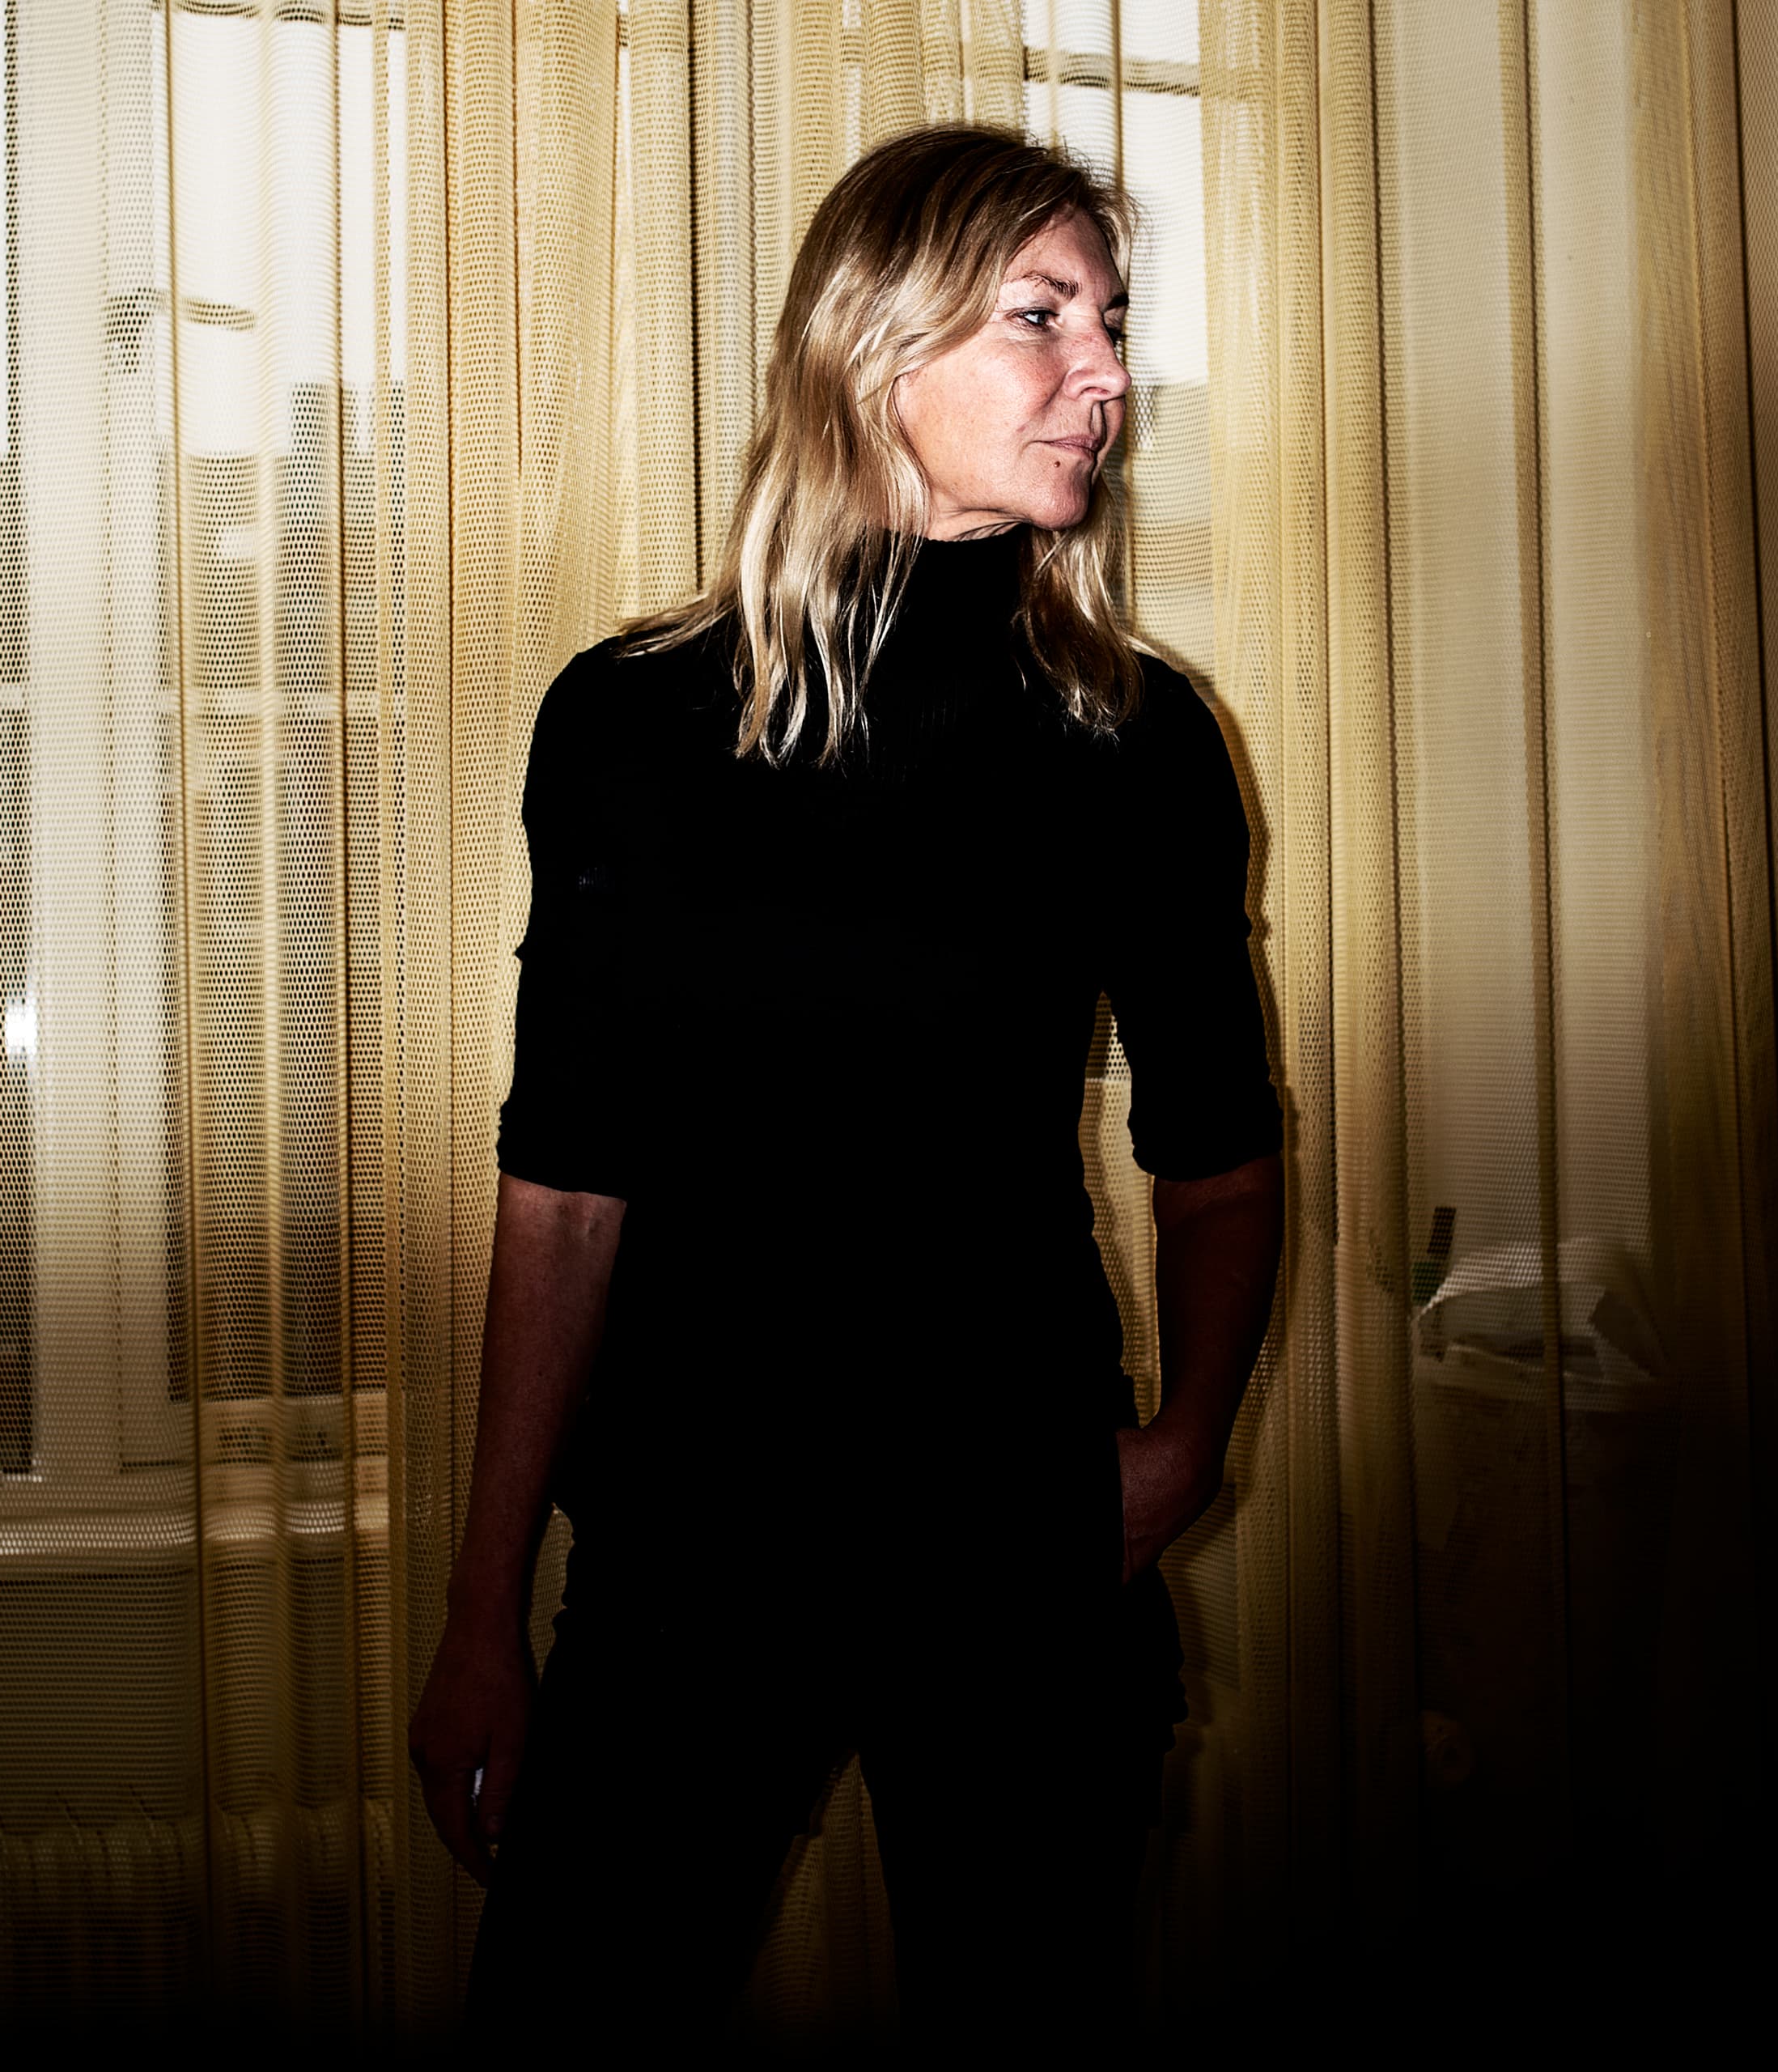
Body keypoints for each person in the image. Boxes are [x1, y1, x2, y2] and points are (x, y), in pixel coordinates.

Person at [409, 124, 1284, 2049]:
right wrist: (484, 1609)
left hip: (1017, 1549)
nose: (1109, 374)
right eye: (1042, 316)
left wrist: (1183, 1445)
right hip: (689, 1556)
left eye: (1113, 322)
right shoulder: (629, 724)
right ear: (873, 344)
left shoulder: (1138, 744)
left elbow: (1218, 1159)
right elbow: (564, 1189)